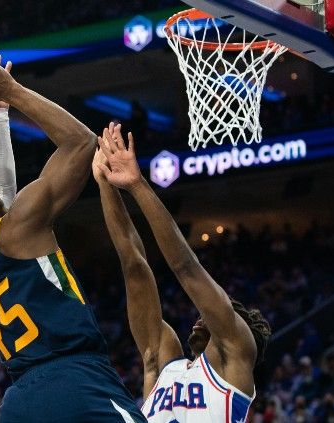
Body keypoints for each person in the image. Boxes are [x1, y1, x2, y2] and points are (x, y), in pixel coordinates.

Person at [0, 46, 145, 422]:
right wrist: (11, 89)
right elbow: (81, 142)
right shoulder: (19, 226)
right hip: (74, 381)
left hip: (19, 404)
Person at [94, 122, 271, 422]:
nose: (201, 315)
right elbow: (133, 265)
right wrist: (105, 184)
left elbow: (186, 268)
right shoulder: (162, 363)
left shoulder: (236, 354)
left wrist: (137, 185)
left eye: (221, 313)